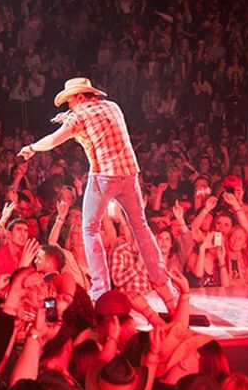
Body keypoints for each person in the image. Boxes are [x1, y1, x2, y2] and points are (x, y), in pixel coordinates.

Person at [18, 78, 168, 299]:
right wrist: (68, 118)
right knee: (140, 226)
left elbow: (52, 140)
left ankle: (100, 288)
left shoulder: (79, 116)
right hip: (130, 175)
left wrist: (31, 148)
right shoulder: (112, 107)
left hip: (105, 176)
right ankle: (160, 278)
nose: (70, 106)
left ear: (79, 96)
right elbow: (92, 120)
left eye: (71, 102)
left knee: (89, 229)